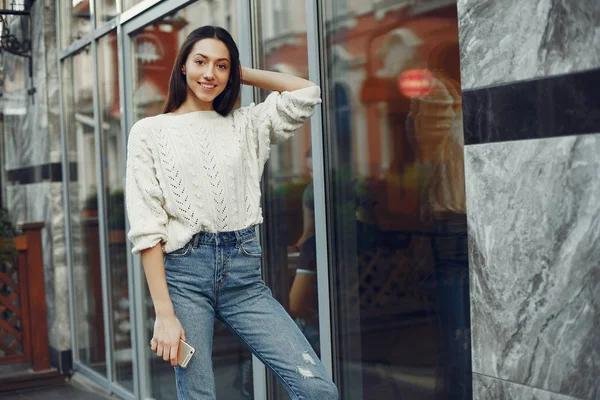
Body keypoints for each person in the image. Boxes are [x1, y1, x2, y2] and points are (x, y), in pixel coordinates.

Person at [125, 26, 338, 400]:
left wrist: (239, 70)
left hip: (243, 274)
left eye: (221, 66)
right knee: (199, 394)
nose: (210, 73)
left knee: (318, 389)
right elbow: (147, 230)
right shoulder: (149, 132)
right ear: (182, 68)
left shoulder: (246, 124)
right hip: (185, 276)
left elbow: (306, 92)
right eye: (201, 62)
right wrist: (164, 313)